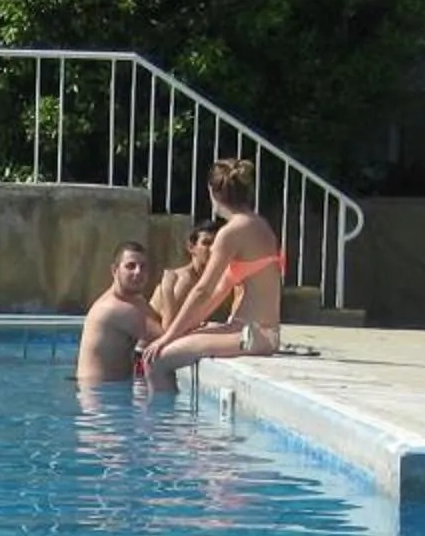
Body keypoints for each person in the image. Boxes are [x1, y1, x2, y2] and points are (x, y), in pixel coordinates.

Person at [145, 160, 288, 393]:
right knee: (170, 347)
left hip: (252, 334)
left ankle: (163, 427)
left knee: (155, 361)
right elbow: (217, 293)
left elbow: (204, 290)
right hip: (258, 332)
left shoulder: (231, 233)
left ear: (213, 193)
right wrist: (179, 332)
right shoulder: (261, 226)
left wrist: (168, 336)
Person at [76, 242, 156, 385]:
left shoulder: (135, 300)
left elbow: (161, 325)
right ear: (115, 270)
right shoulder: (114, 308)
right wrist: (168, 293)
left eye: (143, 267)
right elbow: (166, 335)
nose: (138, 272)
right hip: (100, 394)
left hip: (110, 390)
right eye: (130, 266)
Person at [148, 223, 229, 337]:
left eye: (216, 244)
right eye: (206, 243)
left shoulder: (217, 277)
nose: (212, 249)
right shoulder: (184, 280)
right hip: (152, 346)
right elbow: (169, 329)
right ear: (191, 247)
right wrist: (167, 290)